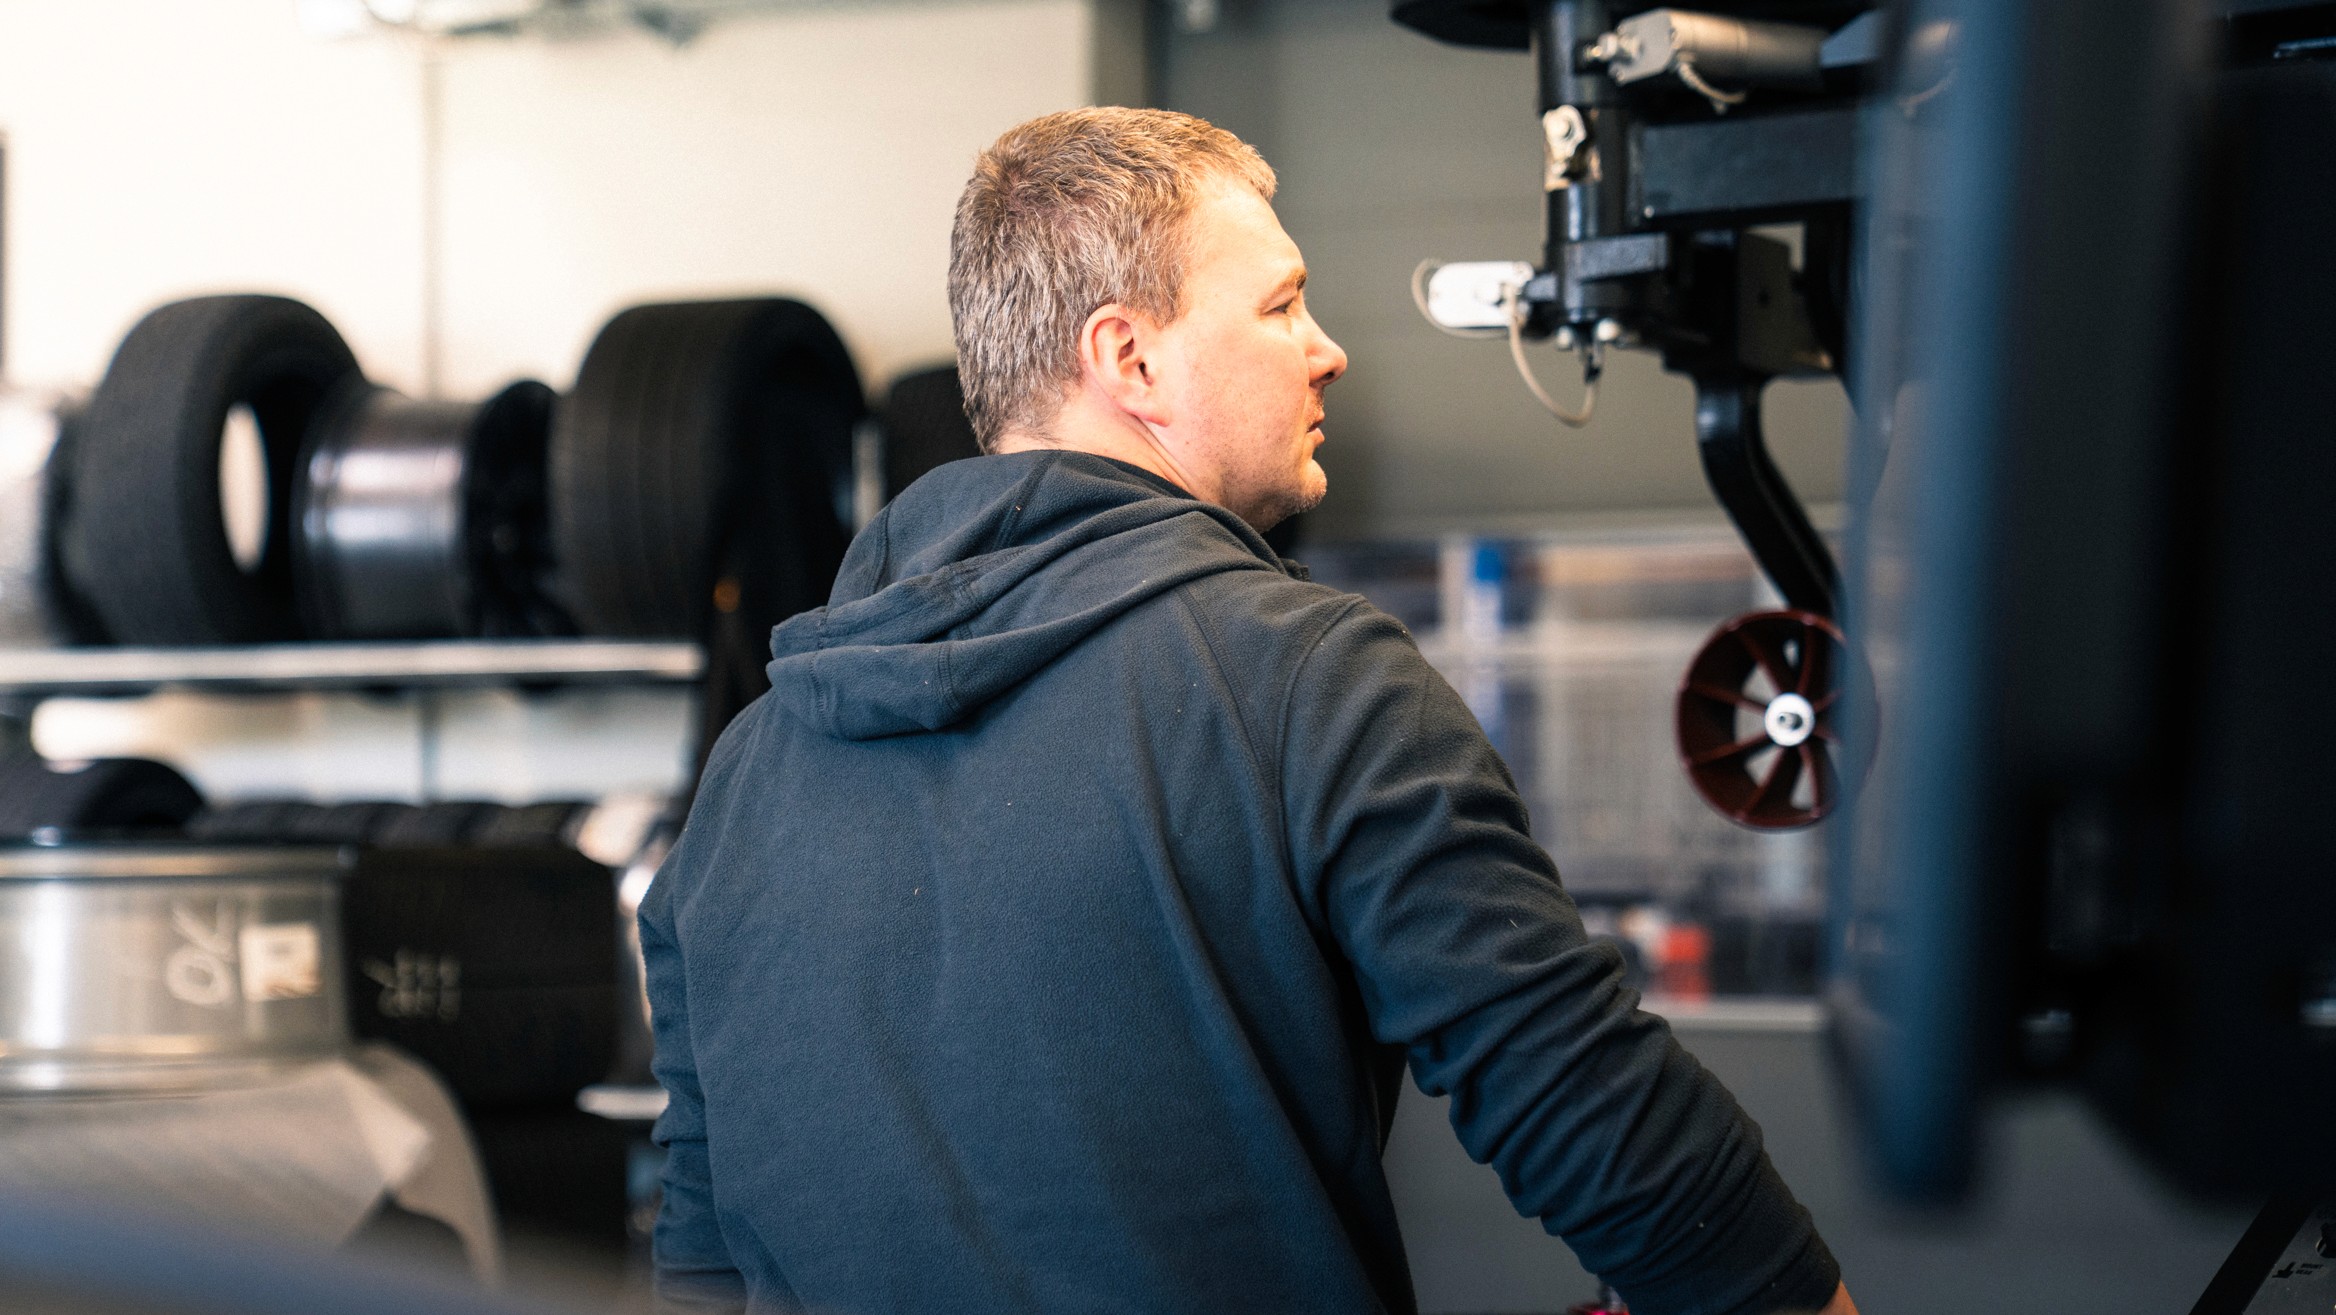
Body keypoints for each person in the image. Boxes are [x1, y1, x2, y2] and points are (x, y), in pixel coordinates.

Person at [640, 106, 1856, 1315]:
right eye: (1280, 306)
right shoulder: (1307, 683)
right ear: (1130, 361)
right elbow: (1604, 1127)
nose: (1325, 348)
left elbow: (700, 1250)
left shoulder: (745, 770)